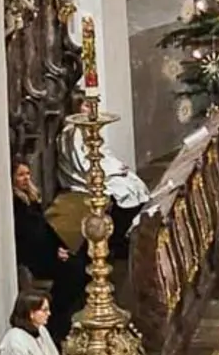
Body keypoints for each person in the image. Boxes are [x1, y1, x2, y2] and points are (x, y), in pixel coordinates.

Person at [57, 89, 150, 259]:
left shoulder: (89, 129)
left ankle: (125, 233)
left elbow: (103, 153)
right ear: (77, 107)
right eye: (86, 106)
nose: (91, 109)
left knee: (135, 183)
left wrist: (117, 167)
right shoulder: (73, 132)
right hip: (81, 177)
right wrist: (110, 172)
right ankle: (116, 240)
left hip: (101, 171)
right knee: (124, 191)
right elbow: (82, 163)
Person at [10, 158, 88, 344]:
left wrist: (60, 247)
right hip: (34, 255)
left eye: (27, 174)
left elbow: (45, 228)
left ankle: (65, 318)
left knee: (81, 266)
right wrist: (55, 253)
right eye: (20, 175)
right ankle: (56, 323)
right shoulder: (16, 204)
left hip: (46, 249)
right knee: (73, 273)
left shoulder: (31, 197)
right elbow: (29, 236)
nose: (25, 178)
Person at [0, 290, 59, 355]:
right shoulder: (15, 341)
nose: (49, 313)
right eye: (44, 310)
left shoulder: (42, 330)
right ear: (31, 313)